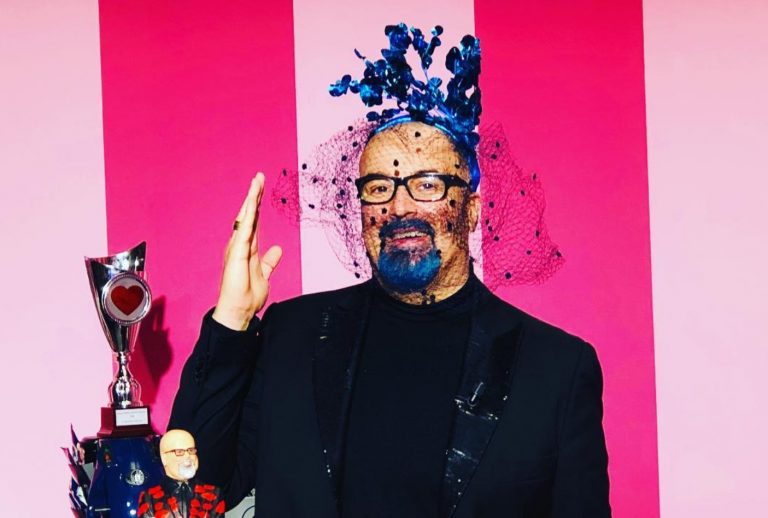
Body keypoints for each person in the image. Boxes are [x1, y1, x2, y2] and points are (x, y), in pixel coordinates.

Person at [170, 24, 610, 518]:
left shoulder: (555, 368)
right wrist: (232, 319)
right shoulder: (290, 336)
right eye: (379, 188)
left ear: (471, 210)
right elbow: (193, 489)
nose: (399, 207)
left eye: (427, 184)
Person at [138, 429, 225, 518]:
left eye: (191, 450)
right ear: (164, 458)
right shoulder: (149, 497)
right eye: (179, 452)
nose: (188, 456)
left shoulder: (213, 494)